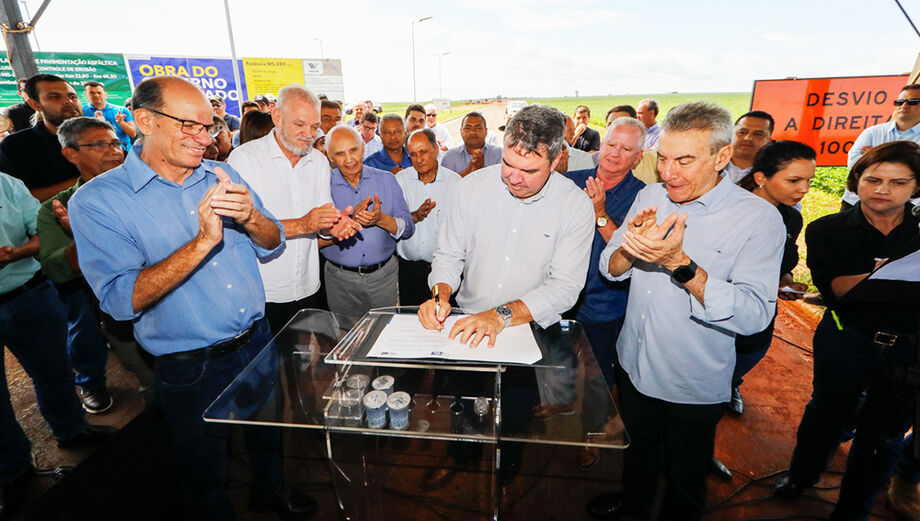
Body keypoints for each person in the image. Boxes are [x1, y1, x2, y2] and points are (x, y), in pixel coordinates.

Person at [68, 76, 315, 520]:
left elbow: (272, 240)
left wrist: (254, 216)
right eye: (189, 125)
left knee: (268, 434)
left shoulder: (223, 174)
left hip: (256, 341)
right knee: (203, 468)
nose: (205, 138)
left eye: (210, 125)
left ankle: (269, 492)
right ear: (145, 121)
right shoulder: (99, 202)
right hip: (190, 364)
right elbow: (121, 300)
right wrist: (202, 242)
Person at [588, 102, 785, 521]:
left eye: (684, 160)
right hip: (634, 361)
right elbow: (610, 266)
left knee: (685, 477)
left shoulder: (758, 219)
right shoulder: (652, 195)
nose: (668, 173)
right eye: (662, 158)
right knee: (638, 451)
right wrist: (629, 246)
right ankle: (633, 504)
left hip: (690, 380)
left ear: (721, 157)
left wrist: (679, 263)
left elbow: (753, 316)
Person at [417, 104, 594, 488]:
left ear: (557, 158)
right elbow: (448, 255)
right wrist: (439, 293)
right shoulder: (472, 188)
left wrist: (499, 316)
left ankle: (507, 469)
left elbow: (565, 287)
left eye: (529, 170)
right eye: (509, 165)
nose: (514, 178)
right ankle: (461, 455)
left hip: (529, 327)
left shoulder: (575, 206)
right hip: (466, 318)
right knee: (463, 401)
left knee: (516, 410)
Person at [773, 141, 920, 521]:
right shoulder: (828, 229)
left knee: (884, 435)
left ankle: (854, 509)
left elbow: (860, 287)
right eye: (873, 179)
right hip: (847, 341)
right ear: (857, 181)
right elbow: (837, 289)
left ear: (915, 187)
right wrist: (891, 277)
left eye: (897, 182)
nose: (882, 189)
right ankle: (801, 477)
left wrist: (874, 276)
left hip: (909, 350)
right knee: (826, 414)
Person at [0, 170, 118, 517]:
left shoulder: (7, 183)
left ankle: (71, 429)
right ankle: (12, 469)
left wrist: (13, 253)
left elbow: (41, 235)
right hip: (28, 296)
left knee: (54, 369)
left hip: (29, 294)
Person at [228, 84, 359, 333]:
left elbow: (321, 222)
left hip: (308, 286)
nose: (309, 134)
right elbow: (237, 229)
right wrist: (303, 224)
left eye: (314, 126)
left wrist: (336, 226)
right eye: (300, 125)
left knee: (300, 362)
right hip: (262, 291)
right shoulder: (244, 159)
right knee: (267, 367)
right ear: (276, 116)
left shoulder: (319, 162)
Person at [563, 117, 647, 467]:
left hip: (604, 298)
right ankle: (560, 399)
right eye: (611, 145)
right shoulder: (569, 182)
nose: (614, 154)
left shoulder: (643, 196)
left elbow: (629, 249)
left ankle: (593, 432)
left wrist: (599, 212)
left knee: (598, 371)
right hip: (561, 290)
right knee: (558, 353)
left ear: (638, 157)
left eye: (626, 149)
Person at [37, 117, 127, 414]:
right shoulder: (56, 208)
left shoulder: (149, 188)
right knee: (84, 325)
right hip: (90, 291)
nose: (114, 151)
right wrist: (84, 235)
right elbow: (57, 268)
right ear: (71, 153)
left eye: (115, 143)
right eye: (99, 144)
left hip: (150, 291)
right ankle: (91, 381)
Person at [728, 141, 815, 415]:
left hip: (760, 306)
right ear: (761, 178)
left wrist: (784, 281)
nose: (804, 189)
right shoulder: (726, 211)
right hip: (721, 304)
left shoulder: (790, 218)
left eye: (809, 180)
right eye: (794, 180)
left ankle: (729, 386)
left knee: (751, 351)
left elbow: (780, 263)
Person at [322, 125, 415, 316]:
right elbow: (313, 235)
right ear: (329, 157)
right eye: (340, 153)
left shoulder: (387, 180)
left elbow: (408, 228)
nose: (349, 159)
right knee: (345, 335)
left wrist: (381, 219)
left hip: (383, 277)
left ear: (363, 148)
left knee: (383, 332)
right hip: (339, 280)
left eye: (354, 150)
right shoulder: (322, 186)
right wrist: (347, 219)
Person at [395, 128, 461, 305]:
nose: (419, 159)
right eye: (413, 154)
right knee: (411, 321)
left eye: (423, 152)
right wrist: (414, 216)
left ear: (436, 149)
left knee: (443, 318)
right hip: (409, 270)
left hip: (445, 270)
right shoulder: (400, 181)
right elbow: (393, 221)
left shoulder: (455, 183)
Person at [0, 74, 81, 202]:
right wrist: (84, 180)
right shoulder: (16, 145)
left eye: (72, 96)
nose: (68, 101)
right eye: (54, 97)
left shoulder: (101, 135)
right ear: (35, 104)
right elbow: (21, 199)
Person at [841, 83, 920, 209]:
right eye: (899, 102)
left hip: (905, 207)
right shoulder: (873, 132)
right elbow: (853, 162)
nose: (904, 106)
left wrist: (872, 156)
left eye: (913, 101)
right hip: (855, 202)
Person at [441, 112, 501, 176]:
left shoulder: (499, 154)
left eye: (478, 128)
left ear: (486, 132)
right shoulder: (450, 156)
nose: (472, 132)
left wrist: (483, 170)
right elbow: (445, 184)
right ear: (461, 131)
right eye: (467, 128)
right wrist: (468, 171)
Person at [83, 81, 137, 151]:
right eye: (91, 93)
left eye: (99, 92)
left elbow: (133, 134)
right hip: (97, 152)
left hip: (124, 151)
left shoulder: (122, 110)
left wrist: (121, 122)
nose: (96, 95)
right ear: (85, 94)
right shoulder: (81, 111)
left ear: (105, 94)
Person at [722, 111, 774, 184]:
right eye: (742, 132)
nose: (748, 138)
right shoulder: (711, 162)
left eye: (758, 134)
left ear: (769, 141)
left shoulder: (772, 175)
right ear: (731, 134)